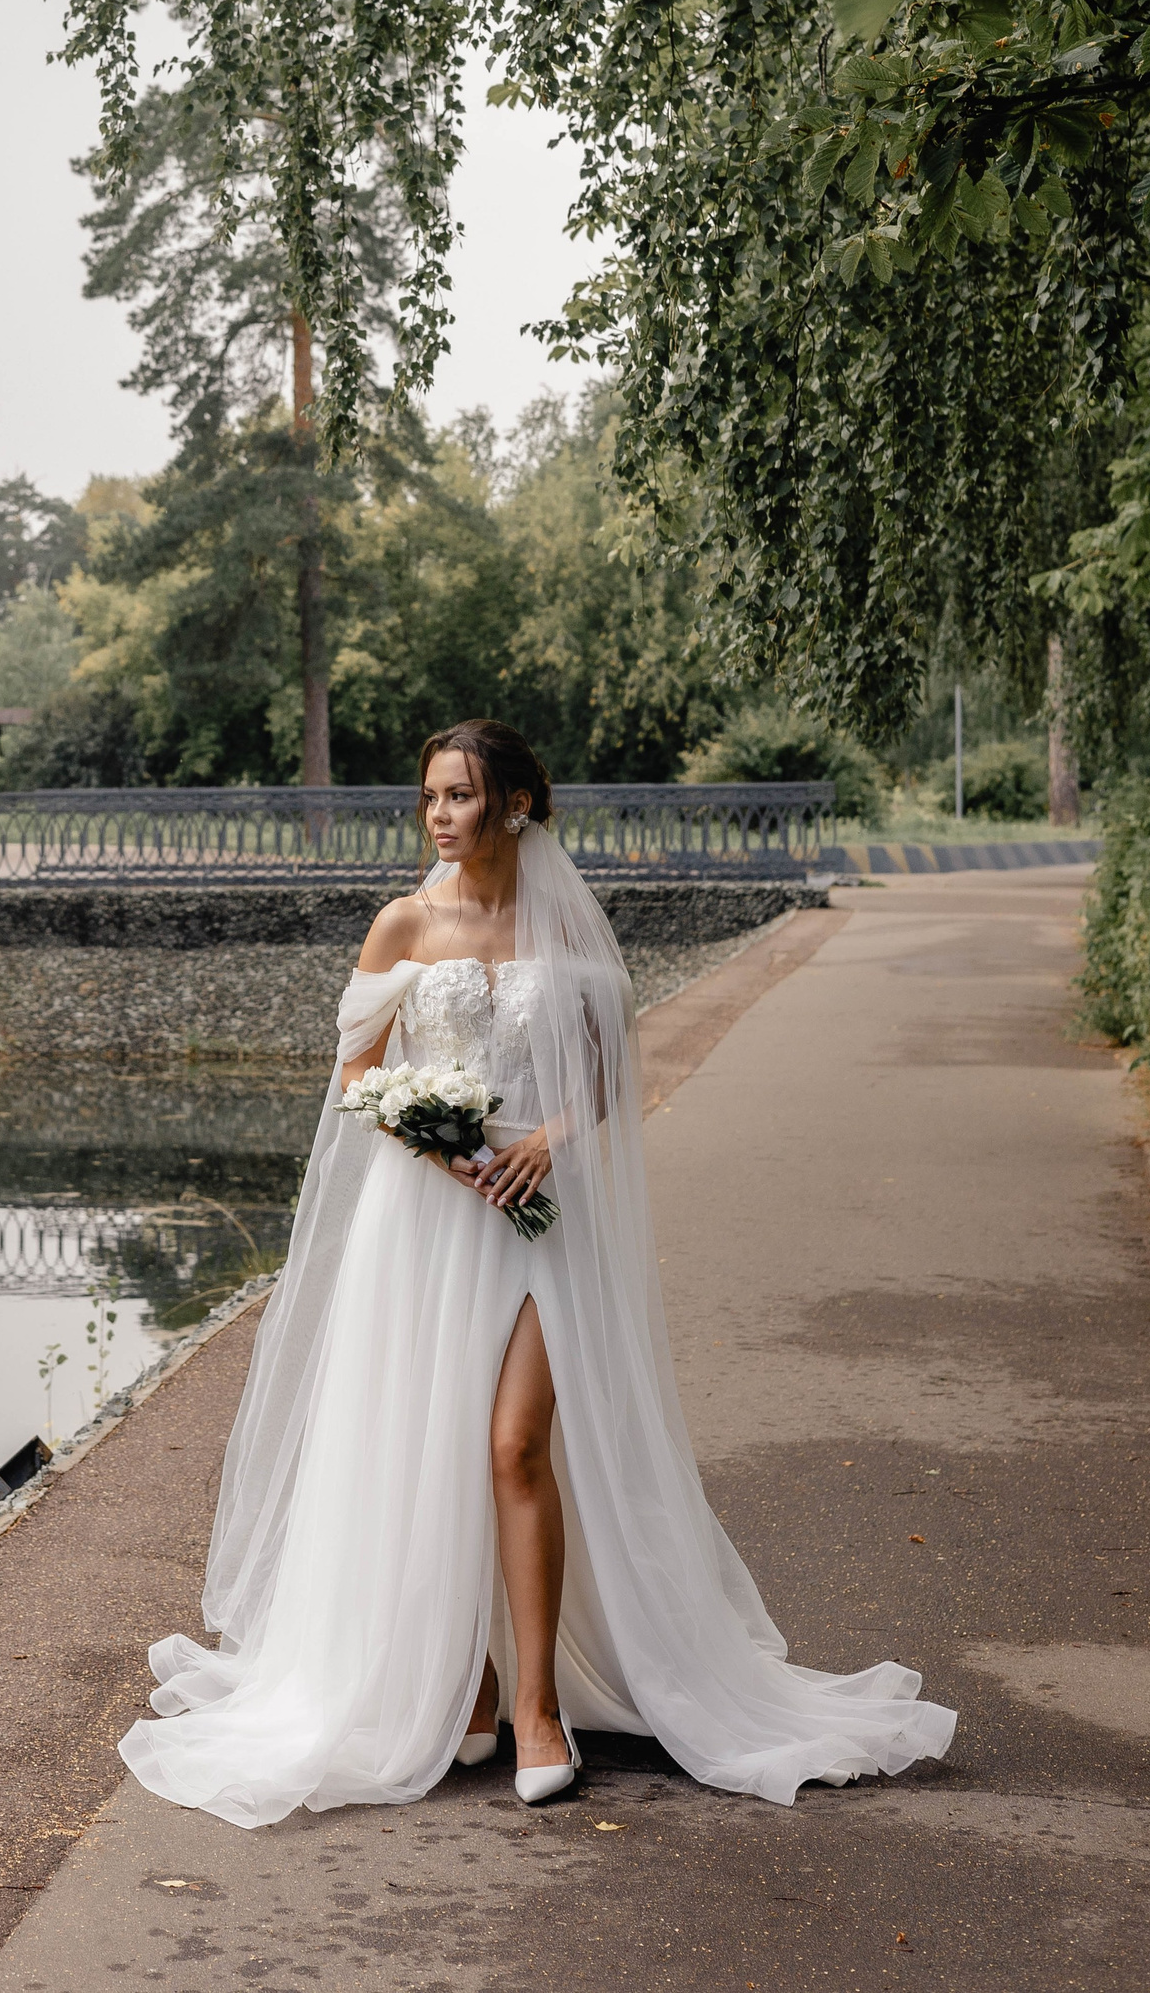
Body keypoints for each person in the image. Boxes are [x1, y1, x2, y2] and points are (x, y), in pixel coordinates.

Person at [118, 717, 956, 1828]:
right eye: (430, 796)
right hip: (422, 1220)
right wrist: (439, 1142)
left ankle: (537, 1703)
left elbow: (606, 1074)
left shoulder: (564, 928)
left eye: (461, 794)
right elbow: (357, 1075)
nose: (440, 815)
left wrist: (547, 1139)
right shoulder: (404, 922)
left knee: (516, 1443)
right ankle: (463, 1687)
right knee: (423, 1447)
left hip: (537, 1219)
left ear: (516, 803)